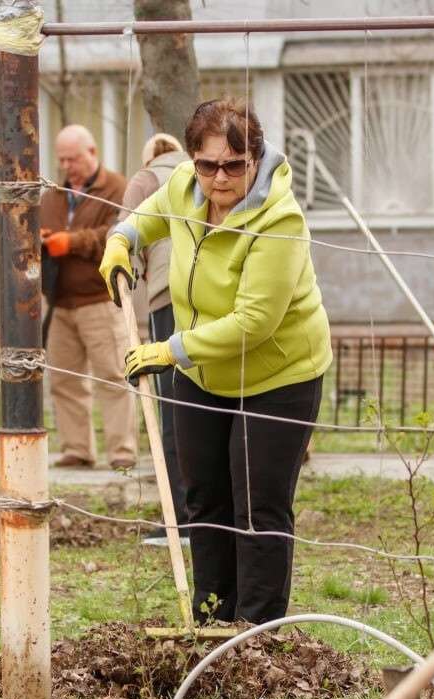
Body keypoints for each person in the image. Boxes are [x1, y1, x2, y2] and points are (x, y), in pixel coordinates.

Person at [102, 99, 332, 624]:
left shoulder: (280, 219)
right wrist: (121, 239)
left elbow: (254, 322)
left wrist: (170, 349)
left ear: (255, 158)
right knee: (204, 499)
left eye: (233, 165)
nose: (219, 177)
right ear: (192, 160)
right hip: (202, 373)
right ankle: (211, 619)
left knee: (258, 508)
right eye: (207, 164)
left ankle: (254, 633)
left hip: (277, 376)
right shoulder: (185, 186)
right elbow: (147, 217)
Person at [39, 125, 136, 470]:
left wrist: (71, 242)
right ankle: (77, 449)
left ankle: (122, 451)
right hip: (60, 302)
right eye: (62, 160)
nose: (67, 166)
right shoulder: (52, 195)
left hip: (99, 300)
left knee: (113, 377)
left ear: (92, 152)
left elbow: (116, 233)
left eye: (73, 159)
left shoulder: (117, 188)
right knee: (65, 381)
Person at [120, 133, 189, 546]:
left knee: (174, 409)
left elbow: (125, 235)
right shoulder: (203, 172)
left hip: (168, 297)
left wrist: (125, 275)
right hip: (216, 300)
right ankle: (215, 516)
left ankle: (179, 518)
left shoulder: (145, 179)